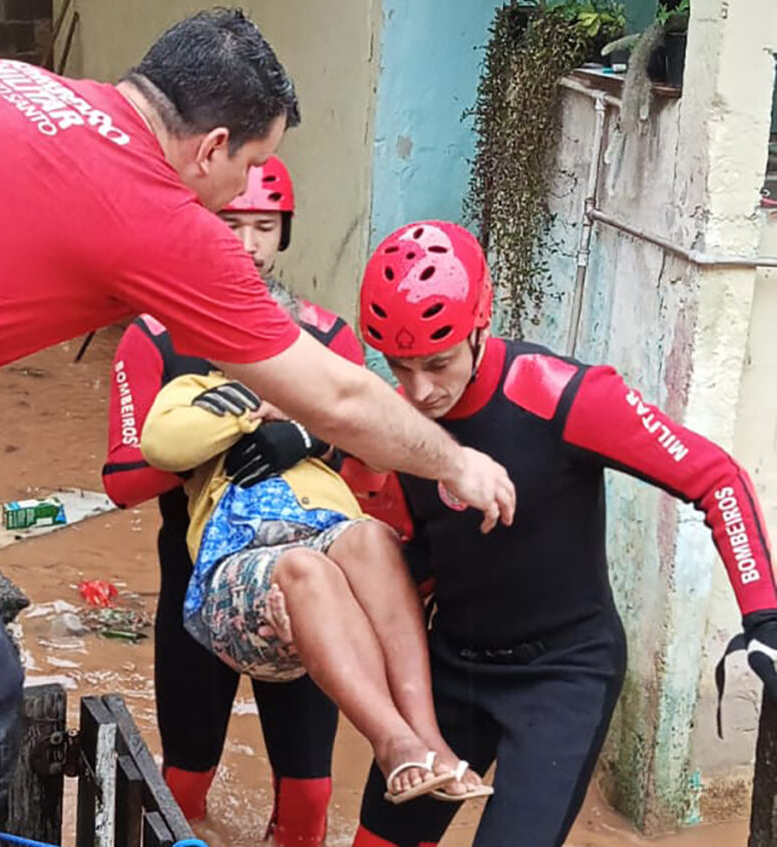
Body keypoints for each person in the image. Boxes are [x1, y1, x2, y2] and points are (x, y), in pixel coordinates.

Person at [0, 7, 518, 845]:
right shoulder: (153, 212)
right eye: (251, 168)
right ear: (212, 146)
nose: (241, 204)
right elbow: (334, 398)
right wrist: (454, 460)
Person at [328, 220, 776, 847]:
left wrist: (765, 619)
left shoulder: (565, 395)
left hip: (563, 675)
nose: (421, 390)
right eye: (400, 368)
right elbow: (416, 556)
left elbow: (715, 477)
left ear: (480, 325)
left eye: (438, 363)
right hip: (451, 663)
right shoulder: (391, 420)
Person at [106, 155, 374, 845]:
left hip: (305, 592)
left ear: (284, 234)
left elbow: (373, 461)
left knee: (310, 796)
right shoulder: (154, 337)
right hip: (195, 590)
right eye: (231, 223)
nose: (247, 243)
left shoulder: (328, 337)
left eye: (263, 226)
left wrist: (306, 438)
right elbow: (122, 480)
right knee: (183, 786)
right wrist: (207, 443)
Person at [138, 368, 492, 809]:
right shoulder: (194, 388)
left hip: (329, 533)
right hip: (241, 554)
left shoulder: (313, 383)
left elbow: (379, 449)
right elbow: (163, 444)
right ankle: (392, 741)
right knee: (306, 568)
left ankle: (429, 738)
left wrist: (303, 426)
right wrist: (257, 410)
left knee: (373, 539)